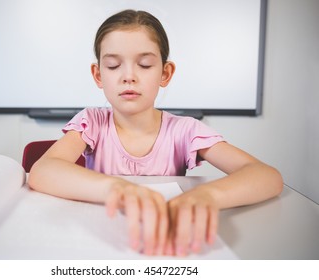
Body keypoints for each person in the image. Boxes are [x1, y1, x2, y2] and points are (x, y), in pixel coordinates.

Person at [28, 9, 283, 257]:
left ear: (165, 73)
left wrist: (208, 195)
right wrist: (118, 189)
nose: (128, 76)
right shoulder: (92, 121)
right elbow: (43, 171)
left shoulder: (184, 130)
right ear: (98, 74)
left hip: (164, 248)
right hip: (106, 242)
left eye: (145, 64)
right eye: (114, 65)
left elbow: (266, 176)